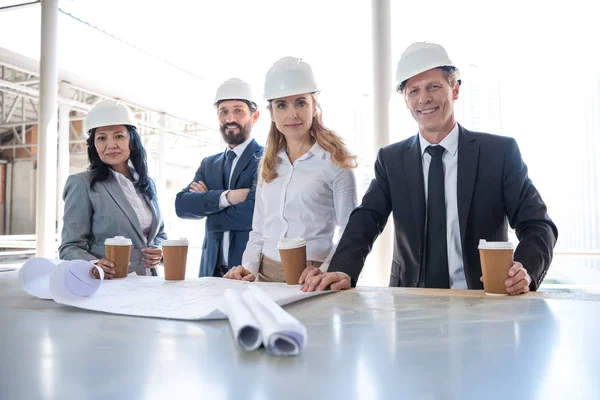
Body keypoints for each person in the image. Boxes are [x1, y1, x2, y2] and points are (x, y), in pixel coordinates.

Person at [302, 42, 558, 295]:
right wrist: (343, 269)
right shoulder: (391, 160)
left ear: (455, 90)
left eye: (434, 86)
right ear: (405, 100)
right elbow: (367, 219)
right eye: (414, 91)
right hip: (412, 302)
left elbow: (537, 224)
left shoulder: (498, 154)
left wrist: (525, 269)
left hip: (483, 298)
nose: (424, 98)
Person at [224, 57, 358, 282]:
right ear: (272, 113)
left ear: (314, 107)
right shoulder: (268, 163)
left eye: (301, 103)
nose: (292, 114)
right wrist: (247, 267)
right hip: (264, 276)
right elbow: (259, 230)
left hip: (312, 277)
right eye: (282, 105)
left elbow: (349, 231)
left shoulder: (336, 162)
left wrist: (327, 269)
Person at [60, 99, 167, 278]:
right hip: (110, 285)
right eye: (102, 138)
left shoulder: (147, 183)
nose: (111, 145)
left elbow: (159, 233)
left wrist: (160, 250)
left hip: (150, 284)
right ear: (94, 145)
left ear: (131, 141)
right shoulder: (82, 184)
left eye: (118, 136)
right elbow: (69, 247)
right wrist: (93, 264)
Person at [175, 78, 263, 277]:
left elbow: (255, 213)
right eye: (224, 112)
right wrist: (227, 198)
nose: (230, 118)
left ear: (255, 116)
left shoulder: (267, 160)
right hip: (211, 272)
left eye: (238, 110)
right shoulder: (209, 164)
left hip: (247, 272)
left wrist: (208, 207)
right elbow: (182, 206)